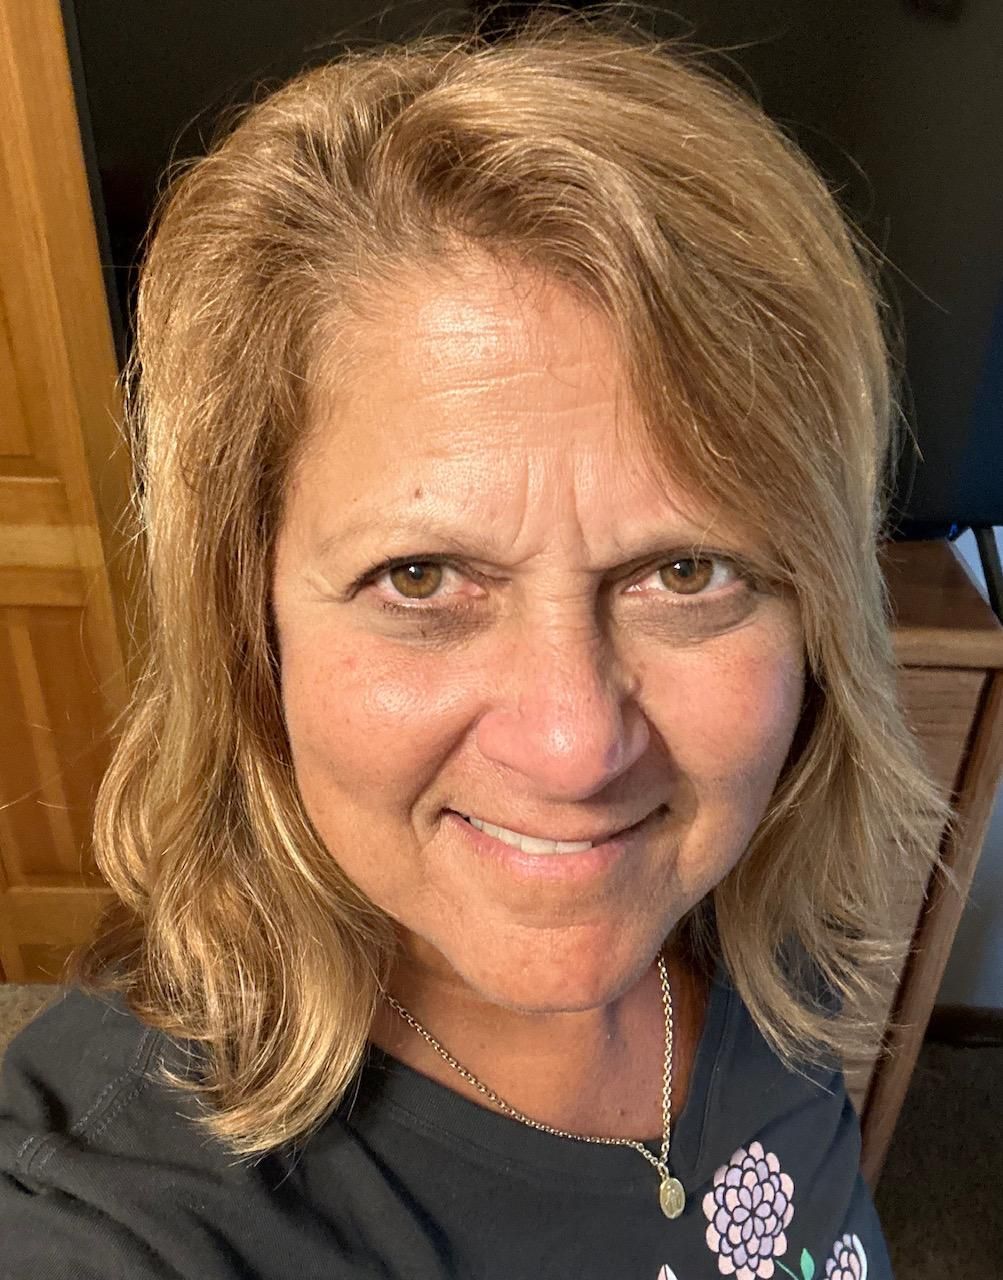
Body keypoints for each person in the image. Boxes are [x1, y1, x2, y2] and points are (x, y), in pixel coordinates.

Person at [0, 9, 954, 1278]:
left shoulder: (741, 916)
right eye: (421, 575)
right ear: (251, 621)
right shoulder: (112, 1217)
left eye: (686, 569)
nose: (574, 746)